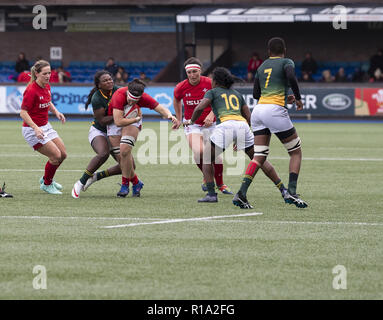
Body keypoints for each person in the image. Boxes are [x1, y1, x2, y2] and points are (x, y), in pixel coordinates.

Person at [184, 67, 288, 204]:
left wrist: (191, 121)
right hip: (242, 126)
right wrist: (239, 138)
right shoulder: (237, 94)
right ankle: (283, 190)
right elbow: (249, 117)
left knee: (207, 158)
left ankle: (211, 194)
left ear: (215, 81)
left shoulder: (212, 92)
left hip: (226, 126)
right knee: (259, 159)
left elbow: (199, 108)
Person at [232, 37, 308, 209]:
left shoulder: (261, 66)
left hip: (258, 111)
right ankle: (292, 192)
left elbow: (256, 94)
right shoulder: (286, 62)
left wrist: (281, 98)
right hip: (274, 111)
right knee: (295, 152)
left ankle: (241, 193)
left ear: (268, 52)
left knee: (259, 156)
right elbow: (290, 76)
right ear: (284, 50)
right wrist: (297, 98)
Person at [108, 79, 177, 197]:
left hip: (133, 121)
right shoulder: (119, 95)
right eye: (130, 99)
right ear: (127, 92)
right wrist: (135, 119)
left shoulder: (144, 97)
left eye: (135, 100)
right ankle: (136, 182)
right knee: (121, 157)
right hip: (117, 121)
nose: (131, 102)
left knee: (125, 150)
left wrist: (170, 116)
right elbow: (118, 121)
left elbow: (161, 108)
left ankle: (125, 185)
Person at [173, 57, 232, 195]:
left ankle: (221, 184)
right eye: (189, 72)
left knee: (215, 156)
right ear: (186, 73)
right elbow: (176, 99)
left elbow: (220, 99)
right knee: (200, 152)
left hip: (212, 124)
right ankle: (207, 177)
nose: (192, 75)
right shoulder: (180, 87)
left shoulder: (210, 83)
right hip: (193, 125)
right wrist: (179, 118)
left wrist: (212, 114)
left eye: (195, 72)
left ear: (200, 71)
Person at [71, 71, 122, 198]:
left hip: (114, 132)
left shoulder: (118, 91)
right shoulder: (97, 98)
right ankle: (81, 182)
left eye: (110, 79)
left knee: (128, 166)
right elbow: (102, 120)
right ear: (99, 85)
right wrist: (120, 115)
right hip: (99, 131)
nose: (109, 81)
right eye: (105, 80)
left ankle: (96, 177)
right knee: (103, 153)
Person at [19, 60, 67, 195]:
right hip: (32, 130)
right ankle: (47, 184)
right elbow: (23, 112)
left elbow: (48, 101)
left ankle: (47, 178)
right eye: (45, 73)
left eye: (49, 73)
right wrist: (35, 128)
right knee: (55, 156)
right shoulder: (31, 90)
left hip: (45, 126)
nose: (48, 76)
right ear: (36, 73)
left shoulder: (47, 86)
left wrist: (56, 112)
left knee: (63, 154)